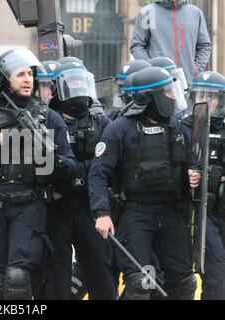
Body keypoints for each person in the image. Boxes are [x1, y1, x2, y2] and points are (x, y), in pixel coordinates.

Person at [0, 49, 76, 300]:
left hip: (30, 203)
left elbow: (69, 166)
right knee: (0, 275)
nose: (28, 79)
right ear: (5, 78)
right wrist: (0, 140)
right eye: (20, 74)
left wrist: (50, 158)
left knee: (18, 276)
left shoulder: (47, 116)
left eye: (30, 74)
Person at [89, 66, 198, 300]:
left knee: (184, 283)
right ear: (149, 97)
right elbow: (98, 174)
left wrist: (193, 176)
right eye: (166, 91)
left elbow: (191, 163)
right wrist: (102, 213)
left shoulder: (176, 127)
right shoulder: (118, 130)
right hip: (135, 215)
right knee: (142, 284)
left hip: (172, 214)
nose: (172, 96)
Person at [43, 62, 115, 300]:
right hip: (56, 208)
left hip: (89, 208)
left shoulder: (100, 122)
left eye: (81, 82)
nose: (78, 89)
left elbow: (110, 165)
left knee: (100, 273)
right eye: (71, 84)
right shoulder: (47, 121)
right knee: (56, 279)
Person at [182, 71, 225, 300]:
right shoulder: (183, 127)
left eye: (213, 96)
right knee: (216, 270)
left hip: (222, 206)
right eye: (202, 95)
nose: (207, 101)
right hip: (199, 210)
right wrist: (185, 174)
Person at [130, 0, 211, 85]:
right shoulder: (147, 12)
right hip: (158, 84)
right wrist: (151, 68)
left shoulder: (195, 13)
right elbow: (137, 45)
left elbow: (204, 46)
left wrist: (196, 69)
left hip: (187, 83)